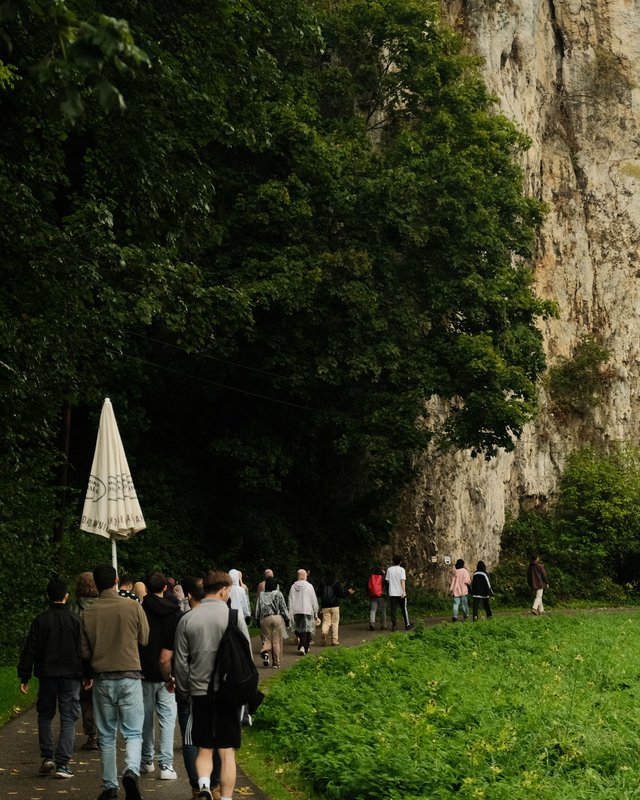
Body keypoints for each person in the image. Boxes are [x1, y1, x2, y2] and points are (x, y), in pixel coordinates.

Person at [173, 570, 251, 800]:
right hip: (229, 694)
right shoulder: (233, 617)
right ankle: (225, 798)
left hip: (199, 692)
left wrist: (186, 690)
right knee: (227, 752)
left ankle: (204, 785)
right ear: (223, 589)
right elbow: (245, 655)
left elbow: (180, 663)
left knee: (204, 748)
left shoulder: (187, 619)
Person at [81, 564, 150, 800]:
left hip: (102, 678)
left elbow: (84, 651)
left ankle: (109, 787)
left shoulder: (88, 612)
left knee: (107, 735)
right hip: (130, 675)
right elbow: (145, 637)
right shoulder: (132, 606)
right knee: (132, 732)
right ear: (116, 581)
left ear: (96, 585)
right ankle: (131, 769)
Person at [18, 578, 82, 779]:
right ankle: (63, 763)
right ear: (66, 596)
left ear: (48, 596)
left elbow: (30, 649)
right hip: (70, 675)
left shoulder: (40, 620)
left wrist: (25, 675)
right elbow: (84, 650)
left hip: (47, 675)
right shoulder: (75, 620)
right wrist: (88, 673)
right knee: (68, 718)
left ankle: (47, 756)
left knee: (45, 716)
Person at [139, 571, 182, 780]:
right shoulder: (175, 613)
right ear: (165, 587)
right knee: (167, 719)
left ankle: (147, 760)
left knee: (146, 717)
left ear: (146, 588)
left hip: (144, 671)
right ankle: (166, 764)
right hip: (168, 673)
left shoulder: (139, 610)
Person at [70, 570, 100, 750]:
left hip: (79, 659)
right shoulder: (103, 606)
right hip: (102, 658)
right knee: (103, 699)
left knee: (85, 699)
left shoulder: (73, 608)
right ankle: (104, 732)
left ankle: (92, 734)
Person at [255, 576, 289, 668]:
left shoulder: (261, 595)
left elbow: (258, 609)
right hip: (277, 618)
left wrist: (257, 619)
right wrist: (287, 619)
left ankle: (265, 652)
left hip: (265, 619)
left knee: (266, 638)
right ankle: (276, 662)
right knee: (276, 640)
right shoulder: (278, 594)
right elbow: (283, 608)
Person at [316, 574, 354, 646]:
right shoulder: (336, 583)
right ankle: (334, 640)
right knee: (335, 623)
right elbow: (341, 595)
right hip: (335, 606)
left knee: (326, 622)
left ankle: (324, 632)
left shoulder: (322, 583)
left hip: (325, 606)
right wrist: (348, 592)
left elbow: (318, 593)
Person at [288, 569, 319, 655]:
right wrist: (315, 611)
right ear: (305, 576)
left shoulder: (293, 587)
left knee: (298, 630)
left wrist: (290, 612)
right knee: (306, 630)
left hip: (296, 611)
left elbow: (290, 600)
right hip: (307, 610)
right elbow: (313, 600)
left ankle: (304, 646)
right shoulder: (309, 586)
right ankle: (303, 646)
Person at [386, 555, 412, 631]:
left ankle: (394, 625)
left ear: (393, 561)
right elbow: (402, 581)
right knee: (404, 609)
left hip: (392, 593)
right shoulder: (401, 570)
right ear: (400, 561)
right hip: (400, 593)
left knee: (393, 610)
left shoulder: (389, 570)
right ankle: (407, 624)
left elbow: (387, 581)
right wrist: (404, 592)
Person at [366, 566, 387, 631]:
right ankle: (383, 625)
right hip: (381, 596)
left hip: (373, 596)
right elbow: (386, 584)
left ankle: (372, 623)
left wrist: (368, 594)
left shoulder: (371, 577)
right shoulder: (383, 577)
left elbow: (367, 586)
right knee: (382, 611)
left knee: (373, 610)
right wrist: (384, 573)